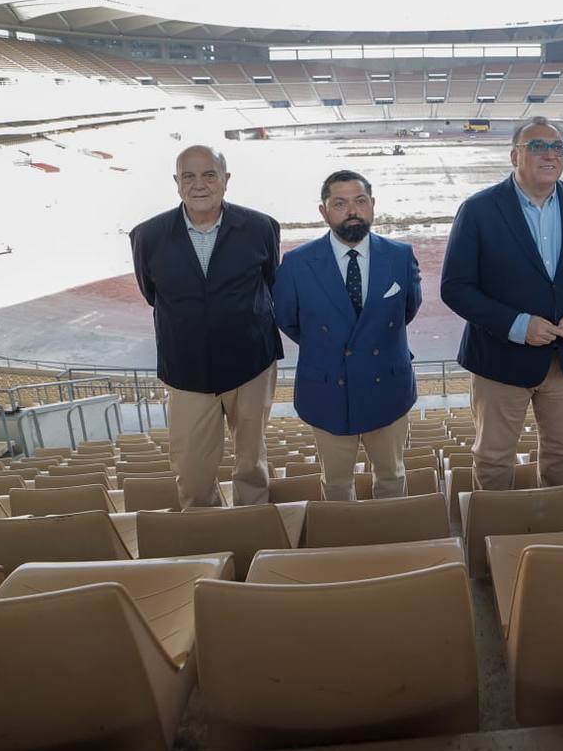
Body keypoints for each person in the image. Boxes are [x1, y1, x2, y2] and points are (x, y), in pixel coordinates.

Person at [441, 116, 563, 490]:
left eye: (557, 147)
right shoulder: (479, 210)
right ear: (514, 156)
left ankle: (549, 531)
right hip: (499, 360)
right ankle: (491, 537)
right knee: (492, 459)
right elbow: (455, 287)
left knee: (562, 455)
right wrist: (517, 325)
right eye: (537, 146)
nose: (550, 154)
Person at [130, 145, 283, 508]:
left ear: (225, 180)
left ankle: (253, 527)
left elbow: (269, 283)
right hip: (187, 371)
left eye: (209, 174)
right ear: (176, 182)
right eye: (189, 176)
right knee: (193, 472)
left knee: (251, 463)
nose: (199, 184)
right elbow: (153, 294)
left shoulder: (260, 227)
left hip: (251, 364)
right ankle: (208, 533)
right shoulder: (148, 236)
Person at [273, 170, 422, 500]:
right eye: (340, 203)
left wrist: (366, 340)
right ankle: (347, 544)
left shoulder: (400, 256)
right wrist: (334, 345)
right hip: (327, 390)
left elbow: (407, 310)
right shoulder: (297, 264)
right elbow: (288, 319)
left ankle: (392, 546)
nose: (352, 210)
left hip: (388, 386)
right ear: (324, 212)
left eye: (360, 201)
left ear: (373, 206)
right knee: (337, 484)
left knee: (393, 477)